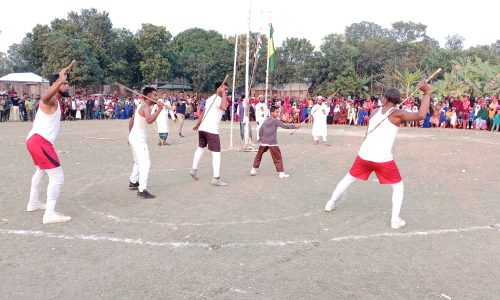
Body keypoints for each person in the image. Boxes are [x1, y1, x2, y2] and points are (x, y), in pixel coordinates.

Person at [324, 82, 432, 230]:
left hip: (364, 155)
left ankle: (330, 203)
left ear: (386, 99)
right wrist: (427, 93)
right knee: (398, 186)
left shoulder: (375, 111)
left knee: (349, 177)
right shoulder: (397, 114)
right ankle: (395, 220)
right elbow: (421, 115)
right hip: (382, 159)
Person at [25, 64, 73, 224]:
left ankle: (33, 202)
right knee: (58, 177)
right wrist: (60, 79)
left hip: (35, 141)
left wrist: (60, 80)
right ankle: (50, 214)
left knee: (40, 171)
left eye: (66, 83)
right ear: (56, 85)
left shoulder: (57, 102)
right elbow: (44, 97)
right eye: (65, 84)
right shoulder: (50, 100)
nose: (67, 86)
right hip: (40, 142)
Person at [189, 81, 229, 186]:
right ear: (218, 89)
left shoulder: (210, 98)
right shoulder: (218, 99)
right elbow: (224, 107)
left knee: (200, 148)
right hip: (211, 130)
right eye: (224, 89)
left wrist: (198, 124)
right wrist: (223, 93)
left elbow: (204, 112)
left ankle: (194, 169)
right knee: (216, 154)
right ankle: (216, 178)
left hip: (203, 128)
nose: (226, 91)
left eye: (227, 90)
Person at [128, 87, 164, 199]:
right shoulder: (146, 107)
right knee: (145, 163)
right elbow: (149, 120)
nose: (156, 98)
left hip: (134, 138)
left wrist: (130, 136)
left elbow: (131, 120)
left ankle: (133, 182)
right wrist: (159, 109)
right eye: (155, 95)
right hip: (138, 140)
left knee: (138, 162)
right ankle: (142, 189)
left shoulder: (141, 106)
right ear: (148, 96)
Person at [250, 106, 299, 178]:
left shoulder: (266, 120)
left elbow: (260, 130)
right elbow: (284, 125)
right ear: (272, 112)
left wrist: (261, 138)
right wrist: (294, 126)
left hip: (264, 142)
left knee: (258, 155)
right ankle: (281, 173)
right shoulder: (275, 120)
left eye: (278, 112)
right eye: (277, 112)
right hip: (272, 143)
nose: (278, 113)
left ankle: (253, 170)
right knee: (278, 157)